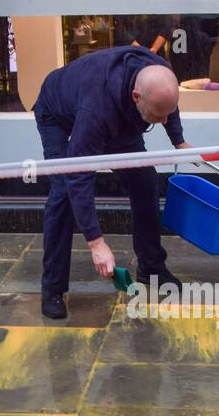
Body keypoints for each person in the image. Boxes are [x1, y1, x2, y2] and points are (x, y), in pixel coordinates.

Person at [33, 44, 191, 320]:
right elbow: (78, 175)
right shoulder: (96, 110)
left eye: (166, 113)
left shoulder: (158, 74)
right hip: (56, 111)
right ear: (136, 96)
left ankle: (152, 267)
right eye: (158, 116)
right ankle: (53, 289)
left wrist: (179, 141)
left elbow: (168, 104)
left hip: (119, 115)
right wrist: (96, 243)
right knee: (63, 194)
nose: (163, 120)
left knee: (145, 180)